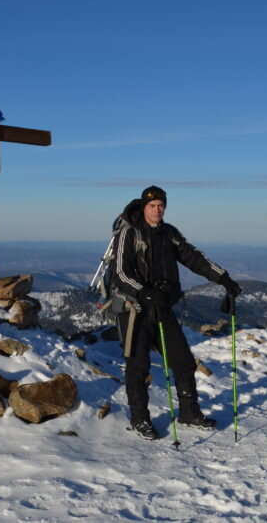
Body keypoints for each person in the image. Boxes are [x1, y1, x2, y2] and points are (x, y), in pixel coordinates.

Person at [107, 185, 242, 440]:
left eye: (161, 206)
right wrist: (145, 292)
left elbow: (194, 258)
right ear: (144, 207)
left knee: (183, 362)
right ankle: (139, 419)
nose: (157, 210)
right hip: (135, 310)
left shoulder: (169, 233)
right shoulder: (129, 233)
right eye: (152, 206)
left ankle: (189, 413)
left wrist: (224, 279)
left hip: (163, 308)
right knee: (138, 366)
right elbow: (121, 272)